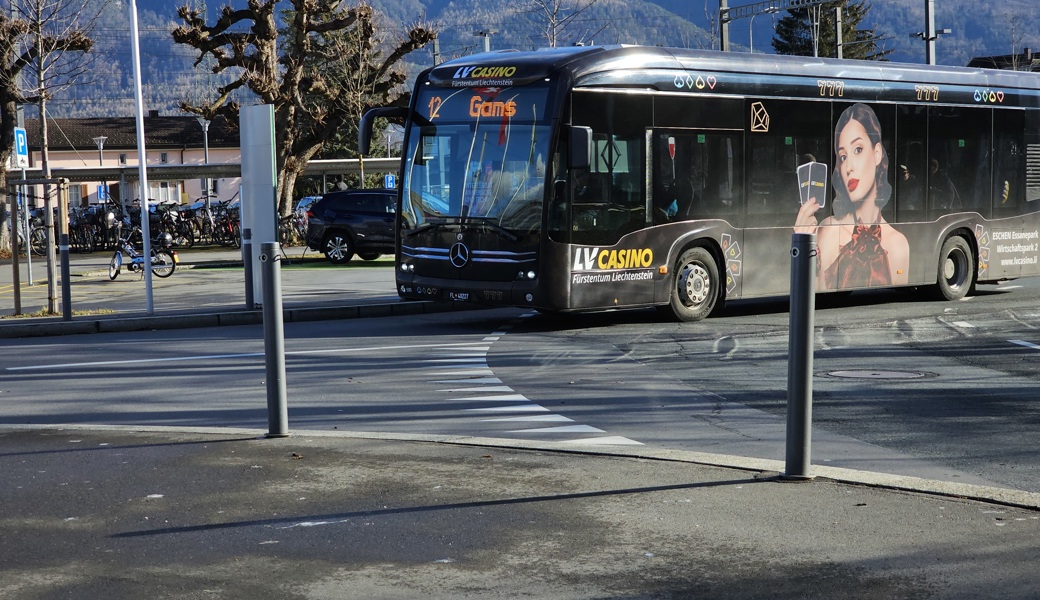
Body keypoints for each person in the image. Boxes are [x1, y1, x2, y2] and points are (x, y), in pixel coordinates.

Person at [794, 103, 909, 289]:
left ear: (877, 153)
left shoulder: (898, 244)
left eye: (858, 149)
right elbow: (812, 299)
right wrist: (802, 244)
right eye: (843, 157)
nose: (849, 167)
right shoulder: (829, 230)